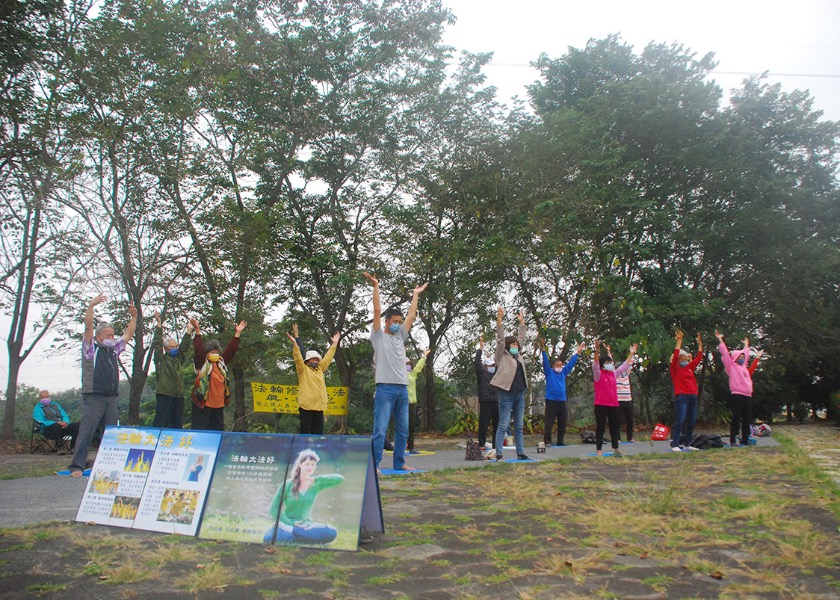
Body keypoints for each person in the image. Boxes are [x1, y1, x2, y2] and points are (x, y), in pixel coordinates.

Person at [363, 272, 427, 472]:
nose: (399, 323)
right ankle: (375, 464)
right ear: (386, 322)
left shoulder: (401, 337)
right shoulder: (378, 336)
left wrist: (415, 294)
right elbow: (376, 309)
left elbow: (411, 315)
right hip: (385, 389)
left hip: (402, 389)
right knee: (380, 430)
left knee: (403, 431)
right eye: (395, 321)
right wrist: (376, 286)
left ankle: (399, 463)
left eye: (400, 321)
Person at [69, 294, 137, 476]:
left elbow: (129, 334)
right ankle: (77, 466)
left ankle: (110, 465)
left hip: (111, 397)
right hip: (94, 395)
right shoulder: (91, 348)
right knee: (87, 431)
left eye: (113, 335)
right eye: (108, 335)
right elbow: (88, 327)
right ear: (99, 337)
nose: (111, 337)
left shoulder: (113, 349)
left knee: (113, 433)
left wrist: (134, 317)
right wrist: (91, 306)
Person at [264, 449, 344, 545]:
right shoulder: (288, 484)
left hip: (307, 526)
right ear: (300, 465)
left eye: (312, 464)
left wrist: (315, 479)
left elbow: (339, 479)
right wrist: (291, 523)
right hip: (286, 524)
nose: (310, 467)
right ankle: (302, 535)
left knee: (332, 533)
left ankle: (295, 533)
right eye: (307, 464)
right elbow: (273, 508)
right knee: (268, 538)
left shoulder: (316, 484)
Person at [189, 318, 247, 431]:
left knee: (217, 432)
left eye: (216, 352)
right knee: (201, 431)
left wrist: (237, 333)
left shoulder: (221, 364)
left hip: (218, 406)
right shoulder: (202, 364)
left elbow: (231, 350)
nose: (215, 354)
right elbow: (198, 350)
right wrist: (197, 331)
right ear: (206, 354)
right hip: (203, 405)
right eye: (212, 352)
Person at [490, 307, 530, 462]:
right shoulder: (501, 356)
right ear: (508, 346)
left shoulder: (518, 356)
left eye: (516, 345)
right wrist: (499, 322)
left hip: (520, 393)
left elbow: (522, 338)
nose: (515, 346)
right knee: (503, 424)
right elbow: (500, 341)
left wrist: (522, 323)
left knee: (519, 426)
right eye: (512, 344)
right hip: (506, 393)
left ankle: (520, 452)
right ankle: (499, 454)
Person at [287, 327, 340, 434]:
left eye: (317, 359)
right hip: (306, 407)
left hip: (319, 407)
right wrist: (295, 344)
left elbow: (328, 358)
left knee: (318, 433)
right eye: (313, 359)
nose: (315, 361)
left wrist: (334, 344)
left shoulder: (320, 369)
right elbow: (297, 358)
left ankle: (316, 450)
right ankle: (303, 450)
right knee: (305, 432)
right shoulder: (303, 370)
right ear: (307, 361)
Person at [592, 340, 638, 457]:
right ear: (603, 364)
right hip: (601, 404)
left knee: (615, 427)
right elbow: (595, 364)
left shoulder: (613, 373)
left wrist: (631, 353)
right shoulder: (599, 374)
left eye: (610, 362)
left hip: (613, 404)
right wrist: (597, 351)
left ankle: (616, 448)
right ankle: (599, 450)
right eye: (607, 362)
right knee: (600, 427)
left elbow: (624, 366)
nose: (610, 364)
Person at [539, 338, 585, 447]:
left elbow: (571, 364)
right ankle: (547, 440)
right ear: (553, 366)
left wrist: (578, 353)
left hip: (562, 400)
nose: (559, 367)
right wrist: (543, 350)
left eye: (561, 365)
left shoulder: (563, 373)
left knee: (562, 422)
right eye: (557, 365)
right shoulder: (549, 372)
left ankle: (560, 440)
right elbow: (545, 362)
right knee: (549, 422)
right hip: (551, 400)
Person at [151, 311, 193, 429]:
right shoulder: (161, 359)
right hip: (165, 394)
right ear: (166, 349)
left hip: (179, 395)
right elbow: (157, 343)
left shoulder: (178, 359)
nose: (175, 348)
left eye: (176, 346)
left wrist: (189, 330)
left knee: (177, 423)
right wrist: (159, 324)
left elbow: (184, 348)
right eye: (172, 347)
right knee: (161, 421)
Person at [716, 331, 756, 447]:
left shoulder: (744, 367)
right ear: (735, 358)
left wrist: (746, 346)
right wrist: (721, 341)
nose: (742, 359)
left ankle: (745, 439)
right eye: (740, 357)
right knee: (736, 418)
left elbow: (747, 355)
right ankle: (733, 440)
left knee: (747, 418)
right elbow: (725, 355)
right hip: (737, 394)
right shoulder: (731, 367)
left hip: (747, 394)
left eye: (743, 357)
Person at [668, 330, 704, 452]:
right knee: (680, 420)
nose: (685, 360)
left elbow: (699, 358)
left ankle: (687, 443)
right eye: (682, 358)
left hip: (693, 396)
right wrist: (679, 341)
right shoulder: (675, 369)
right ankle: (675, 444)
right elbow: (676, 352)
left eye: (686, 358)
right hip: (682, 396)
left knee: (691, 421)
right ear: (678, 360)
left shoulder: (689, 368)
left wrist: (700, 344)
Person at [475, 337, 499, 454]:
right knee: (483, 423)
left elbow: (499, 362)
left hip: (496, 401)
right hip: (485, 401)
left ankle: (496, 444)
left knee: (497, 424)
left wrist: (491, 357)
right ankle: (481, 443)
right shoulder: (481, 373)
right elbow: (477, 361)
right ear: (485, 366)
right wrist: (480, 349)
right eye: (490, 365)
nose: (492, 367)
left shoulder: (497, 373)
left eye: (493, 365)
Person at [407, 348, 430, 453]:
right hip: (402, 402)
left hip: (412, 403)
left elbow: (419, 366)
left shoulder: (413, 374)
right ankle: (401, 446)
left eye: (408, 364)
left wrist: (424, 356)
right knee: (402, 426)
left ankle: (411, 447)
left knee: (411, 426)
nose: (407, 366)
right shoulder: (399, 374)